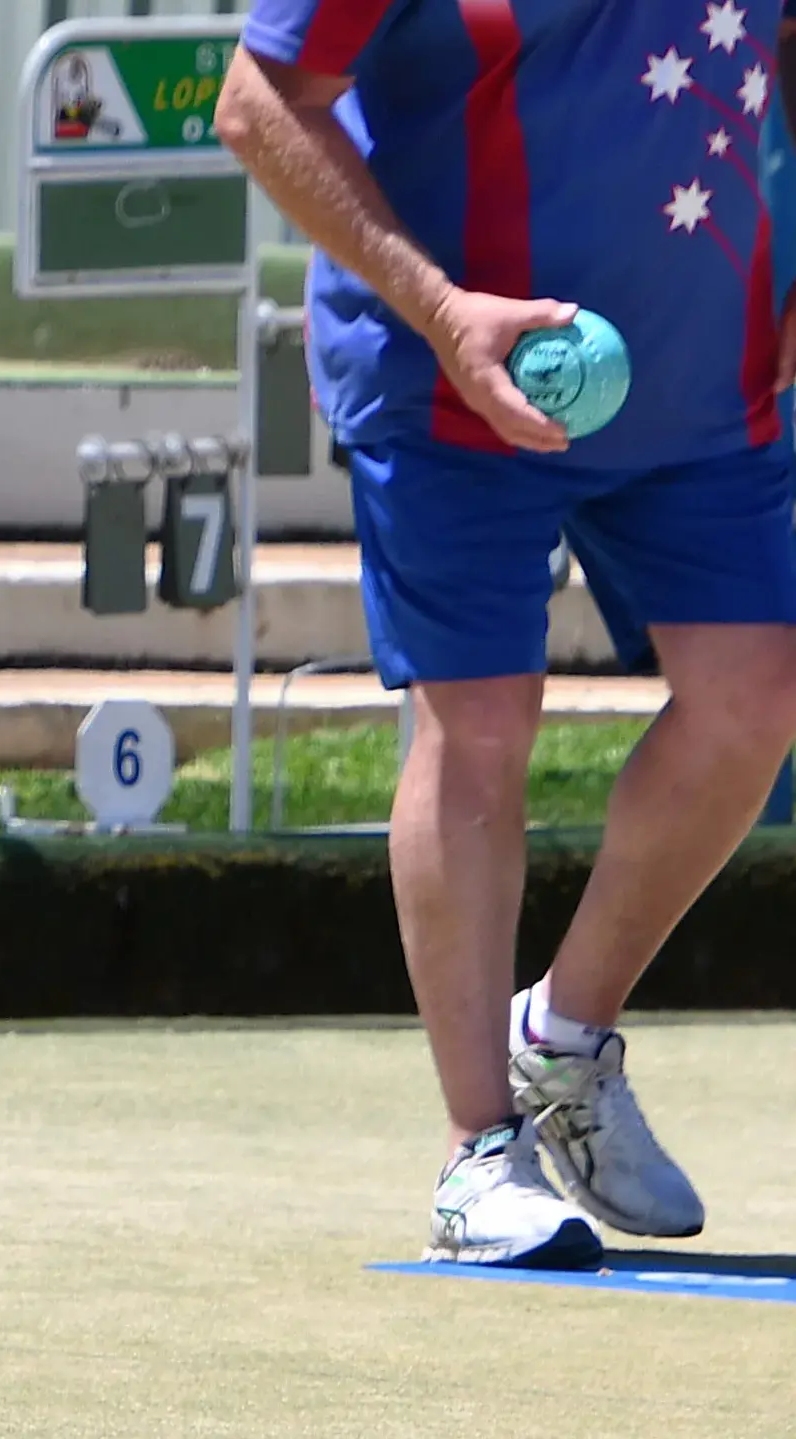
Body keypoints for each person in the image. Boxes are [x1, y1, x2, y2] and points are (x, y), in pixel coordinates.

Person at [220, 2, 796, 1268]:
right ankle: (479, 1146)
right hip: (446, 381)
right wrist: (438, 308)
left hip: (709, 384)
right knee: (479, 725)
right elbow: (260, 102)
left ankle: (567, 1037)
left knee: (759, 699)